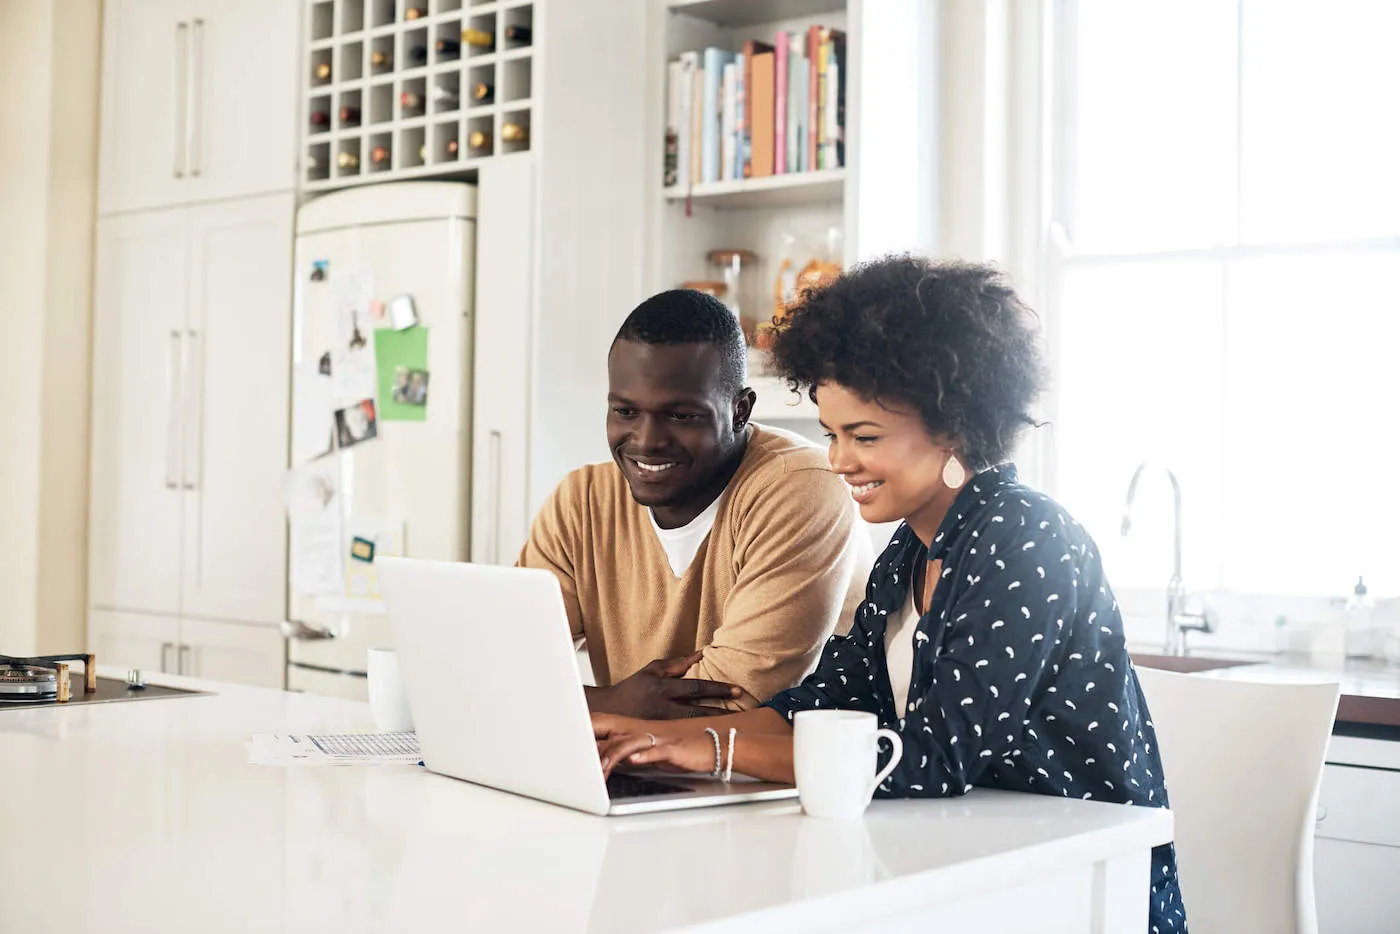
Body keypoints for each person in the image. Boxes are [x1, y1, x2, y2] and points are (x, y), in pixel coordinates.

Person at [593, 258, 1187, 932]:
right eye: (832, 435)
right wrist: (648, 738)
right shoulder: (907, 553)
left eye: (864, 437)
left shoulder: (1028, 539)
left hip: (1074, 891)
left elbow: (931, 756)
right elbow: (820, 710)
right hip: (961, 869)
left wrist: (708, 746)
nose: (839, 460)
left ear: (955, 429)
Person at [519, 289, 871, 720]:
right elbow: (506, 670)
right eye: (625, 412)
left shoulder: (800, 487)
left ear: (740, 410)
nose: (647, 442)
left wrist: (571, 705)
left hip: (781, 777)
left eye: (682, 416)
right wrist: (614, 702)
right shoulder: (582, 502)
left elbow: (734, 699)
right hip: (642, 765)